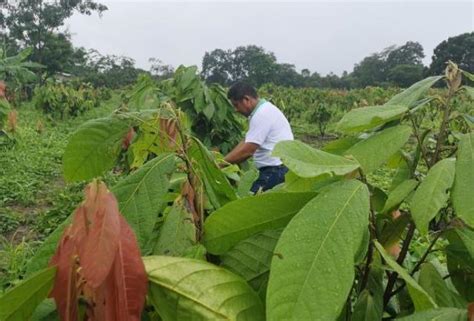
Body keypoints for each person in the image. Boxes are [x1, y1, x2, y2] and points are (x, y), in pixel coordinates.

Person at [224, 82, 294, 193]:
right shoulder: (263, 110)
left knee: (251, 204)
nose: (236, 110)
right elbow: (246, 141)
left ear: (246, 99)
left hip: (275, 170)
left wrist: (221, 164)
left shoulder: (262, 114)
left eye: (236, 105)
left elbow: (248, 150)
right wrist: (224, 160)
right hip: (277, 168)